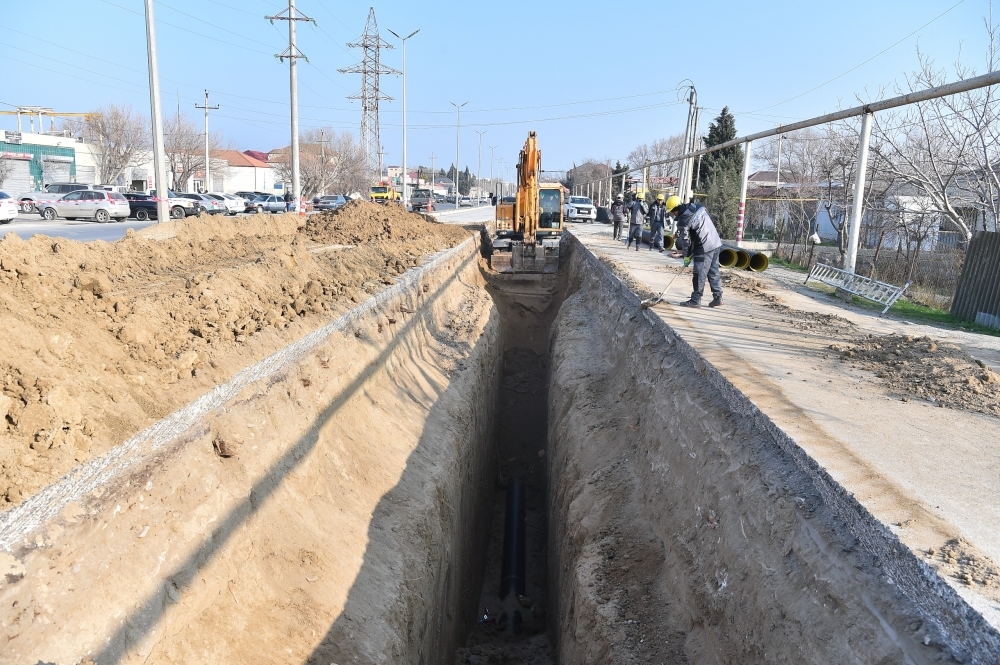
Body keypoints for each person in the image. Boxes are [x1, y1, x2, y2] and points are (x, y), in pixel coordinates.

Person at [668, 195, 723, 308]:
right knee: (713, 272)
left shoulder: (683, 220)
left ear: (675, 209)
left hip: (703, 247)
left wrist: (686, 256)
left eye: (672, 212)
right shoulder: (698, 207)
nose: (673, 214)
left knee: (699, 273)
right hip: (715, 242)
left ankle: (695, 300)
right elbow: (710, 220)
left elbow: (686, 241)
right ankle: (718, 298)